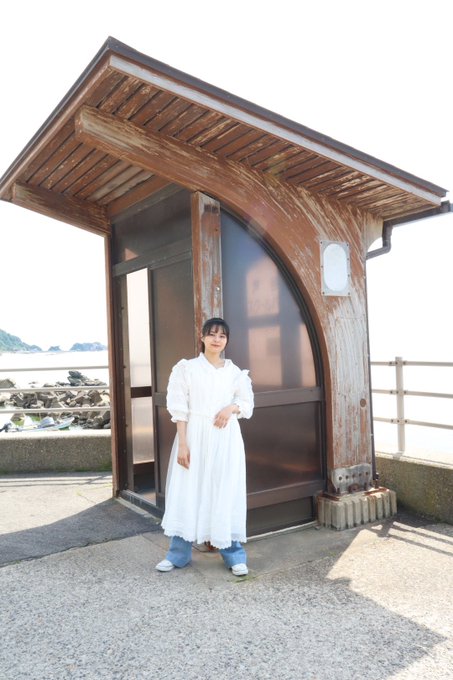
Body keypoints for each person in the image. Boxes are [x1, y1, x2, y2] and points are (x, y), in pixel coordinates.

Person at [156, 317, 254, 576]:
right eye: (212, 334)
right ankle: (178, 554)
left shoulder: (234, 372)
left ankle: (234, 555)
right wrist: (183, 444)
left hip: (225, 439)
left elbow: (247, 404)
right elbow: (179, 408)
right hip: (194, 436)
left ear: (227, 341)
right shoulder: (187, 368)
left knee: (224, 490)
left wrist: (230, 408)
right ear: (202, 337)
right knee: (188, 490)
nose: (216, 339)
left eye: (222, 335)